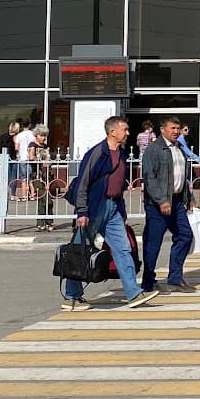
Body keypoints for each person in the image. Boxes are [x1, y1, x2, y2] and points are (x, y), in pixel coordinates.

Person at [64, 115, 160, 312]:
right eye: (124, 129)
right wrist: (82, 211)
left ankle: (133, 293)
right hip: (93, 208)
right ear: (112, 131)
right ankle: (72, 296)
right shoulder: (97, 153)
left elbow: (119, 182)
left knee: (123, 249)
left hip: (113, 207)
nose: (127, 133)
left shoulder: (122, 152)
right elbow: (83, 182)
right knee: (80, 250)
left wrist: (121, 210)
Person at [141, 116, 196, 294]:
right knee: (153, 243)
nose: (176, 131)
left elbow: (182, 176)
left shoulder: (179, 148)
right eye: (172, 128)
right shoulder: (154, 149)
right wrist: (161, 200)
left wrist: (189, 196)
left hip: (177, 201)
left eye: (178, 128)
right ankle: (148, 281)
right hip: (158, 205)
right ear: (162, 129)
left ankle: (175, 278)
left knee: (185, 235)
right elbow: (150, 178)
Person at [32, 126, 56, 231]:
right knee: (43, 199)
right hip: (37, 174)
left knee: (49, 199)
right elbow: (31, 157)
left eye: (44, 135)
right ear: (36, 135)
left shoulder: (46, 146)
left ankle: (48, 222)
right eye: (41, 135)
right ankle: (41, 223)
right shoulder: (33, 145)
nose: (43, 138)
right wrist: (40, 160)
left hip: (47, 175)